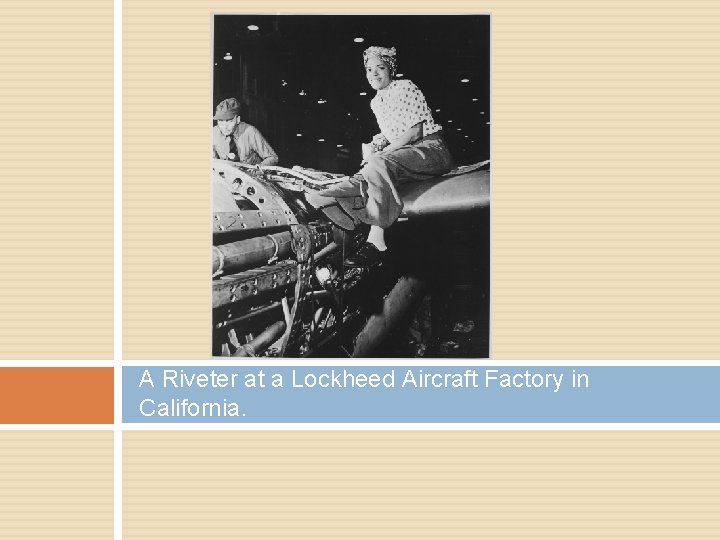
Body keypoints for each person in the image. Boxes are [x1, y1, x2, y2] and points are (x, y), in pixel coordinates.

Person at [309, 46, 453, 267]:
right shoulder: (375, 102)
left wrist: (382, 153)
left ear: (390, 70)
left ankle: (377, 240)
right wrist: (378, 143)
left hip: (431, 150)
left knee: (376, 164)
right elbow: (393, 131)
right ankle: (349, 220)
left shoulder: (405, 87)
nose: (374, 74)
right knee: (347, 183)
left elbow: (415, 131)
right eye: (369, 70)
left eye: (380, 68)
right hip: (405, 155)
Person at [212, 98, 279, 166]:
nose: (224, 127)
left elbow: (273, 158)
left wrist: (258, 169)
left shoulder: (250, 132)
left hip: (250, 174)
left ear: (238, 119)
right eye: (220, 121)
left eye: (229, 121)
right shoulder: (214, 133)